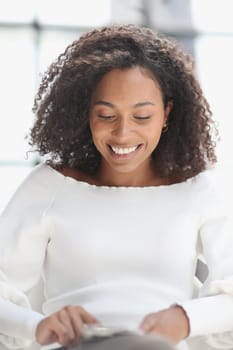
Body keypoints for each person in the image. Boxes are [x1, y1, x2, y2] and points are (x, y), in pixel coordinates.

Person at [0, 23, 232, 350]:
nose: (123, 134)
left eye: (142, 117)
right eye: (106, 115)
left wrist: (185, 318)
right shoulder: (49, 186)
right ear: (86, 114)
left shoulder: (197, 189)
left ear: (167, 114)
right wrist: (37, 326)